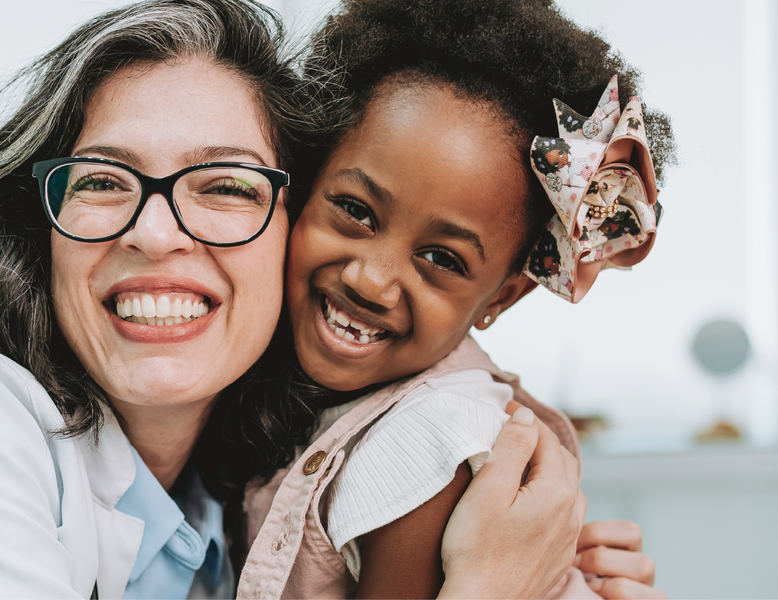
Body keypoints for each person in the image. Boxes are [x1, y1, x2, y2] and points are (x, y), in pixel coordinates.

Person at [0, 1, 586, 599]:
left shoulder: (226, 512)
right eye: (102, 181)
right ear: (36, 226)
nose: (157, 232)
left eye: (223, 187)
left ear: (282, 228)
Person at [235, 1, 672, 599]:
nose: (371, 280)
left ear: (502, 297)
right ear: (307, 184)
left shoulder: (427, 444)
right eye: (357, 211)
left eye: (443, 259)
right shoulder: (268, 382)